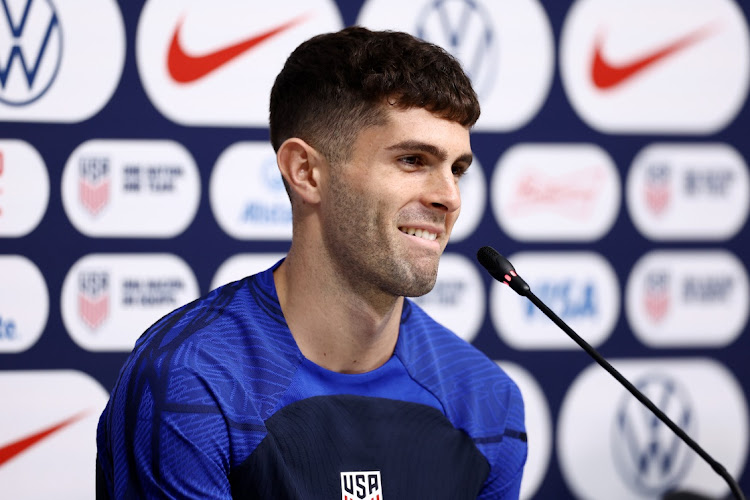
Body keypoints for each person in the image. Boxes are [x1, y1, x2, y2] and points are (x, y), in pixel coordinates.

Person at [96, 26, 527, 499]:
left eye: (457, 169)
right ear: (305, 172)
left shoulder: (488, 402)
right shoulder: (191, 380)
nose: (449, 197)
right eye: (412, 160)